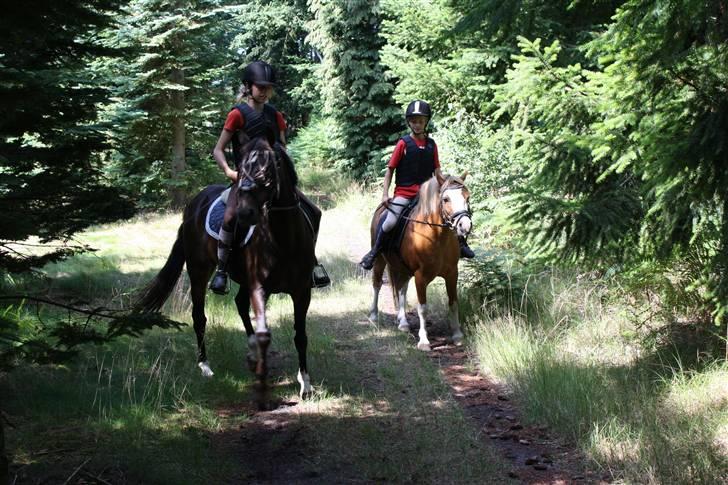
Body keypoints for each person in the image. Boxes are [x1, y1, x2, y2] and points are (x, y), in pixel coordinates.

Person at [209, 60, 330, 294]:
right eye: (260, 87)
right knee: (230, 217)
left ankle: (310, 263)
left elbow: (282, 149)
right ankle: (222, 270)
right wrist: (229, 172)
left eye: (268, 87)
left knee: (313, 212)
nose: (264, 92)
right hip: (244, 182)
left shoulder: (276, 116)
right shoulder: (237, 115)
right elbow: (218, 149)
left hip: (273, 183)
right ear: (248, 86)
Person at [359, 99, 475, 270]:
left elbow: (437, 172)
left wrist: (448, 184)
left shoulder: (431, 145)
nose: (417, 124)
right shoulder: (403, 144)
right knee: (390, 221)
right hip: (404, 194)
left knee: (451, 213)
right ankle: (374, 252)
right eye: (414, 121)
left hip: (427, 195)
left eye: (420, 121)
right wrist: (385, 194)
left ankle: (461, 244)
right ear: (409, 122)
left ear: (426, 122)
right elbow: (390, 170)